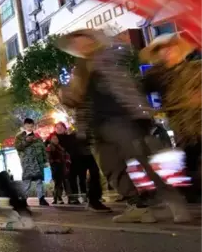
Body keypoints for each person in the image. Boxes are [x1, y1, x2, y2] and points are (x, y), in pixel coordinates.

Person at [57, 29, 191, 223]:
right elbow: (77, 101)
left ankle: (172, 200)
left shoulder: (108, 56)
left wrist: (142, 115)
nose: (80, 45)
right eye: (76, 43)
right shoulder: (80, 70)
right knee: (111, 168)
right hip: (96, 127)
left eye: (83, 40)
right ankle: (137, 206)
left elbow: (127, 84)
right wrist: (68, 96)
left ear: (93, 40)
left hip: (121, 120)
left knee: (143, 161)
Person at [140, 33, 202, 203]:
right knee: (189, 153)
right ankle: (188, 190)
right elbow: (141, 90)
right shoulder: (157, 75)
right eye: (162, 49)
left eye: (171, 47)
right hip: (182, 123)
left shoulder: (195, 68)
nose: (167, 51)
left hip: (199, 116)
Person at [15, 119, 49, 206]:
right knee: (27, 181)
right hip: (27, 163)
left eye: (31, 126)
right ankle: (23, 199)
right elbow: (18, 147)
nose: (29, 128)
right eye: (27, 126)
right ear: (24, 126)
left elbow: (42, 149)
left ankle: (41, 198)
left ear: (33, 126)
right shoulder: (19, 136)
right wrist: (26, 141)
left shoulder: (37, 137)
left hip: (38, 162)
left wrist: (45, 161)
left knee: (39, 181)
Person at [46, 132, 70, 204]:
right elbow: (48, 157)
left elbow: (66, 156)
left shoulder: (61, 148)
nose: (55, 140)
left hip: (62, 167)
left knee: (64, 183)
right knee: (58, 183)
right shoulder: (50, 148)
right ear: (51, 140)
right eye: (53, 138)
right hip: (55, 168)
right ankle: (57, 198)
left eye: (56, 138)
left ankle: (68, 198)